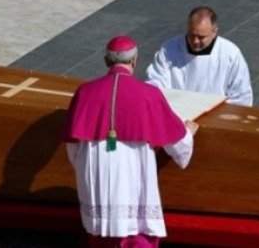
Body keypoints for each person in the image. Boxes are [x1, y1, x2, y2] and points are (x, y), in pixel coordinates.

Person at [63, 35, 198, 248]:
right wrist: (188, 132)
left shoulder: (85, 92)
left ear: (106, 60)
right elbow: (176, 141)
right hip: (132, 170)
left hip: (96, 170)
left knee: (101, 229)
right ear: (134, 60)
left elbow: (72, 145)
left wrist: (84, 167)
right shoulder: (148, 94)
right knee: (135, 221)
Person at [145, 6, 253, 106]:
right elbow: (155, 84)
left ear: (214, 32)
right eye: (192, 35)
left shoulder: (230, 54)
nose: (195, 41)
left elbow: (241, 96)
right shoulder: (169, 50)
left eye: (201, 37)